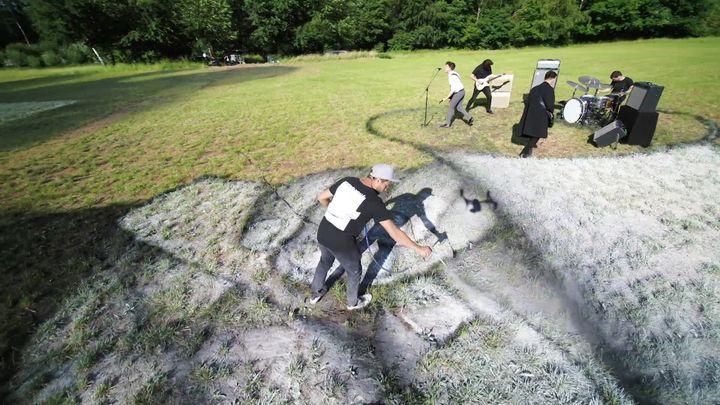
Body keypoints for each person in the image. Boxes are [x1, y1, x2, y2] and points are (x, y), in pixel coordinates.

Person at [310, 164, 433, 310]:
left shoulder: (347, 181)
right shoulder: (374, 202)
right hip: (342, 244)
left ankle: (315, 295)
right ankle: (352, 303)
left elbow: (322, 198)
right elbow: (395, 233)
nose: (388, 187)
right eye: (387, 183)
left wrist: (336, 212)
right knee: (354, 271)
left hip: (323, 232)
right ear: (379, 180)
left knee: (324, 261)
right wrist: (419, 249)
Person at [518, 71, 557, 158]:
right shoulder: (550, 90)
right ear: (553, 78)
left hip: (531, 112)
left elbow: (528, 101)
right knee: (538, 133)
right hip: (541, 114)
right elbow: (550, 105)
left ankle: (528, 148)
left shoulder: (534, 88)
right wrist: (551, 112)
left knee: (533, 131)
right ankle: (525, 152)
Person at [439, 61, 474, 128]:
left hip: (458, 93)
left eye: (446, 67)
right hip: (462, 91)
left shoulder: (452, 77)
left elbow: (453, 90)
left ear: (449, 68)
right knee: (459, 107)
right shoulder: (454, 73)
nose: (444, 68)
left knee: (451, 108)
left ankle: (447, 124)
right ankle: (470, 118)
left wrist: (446, 98)